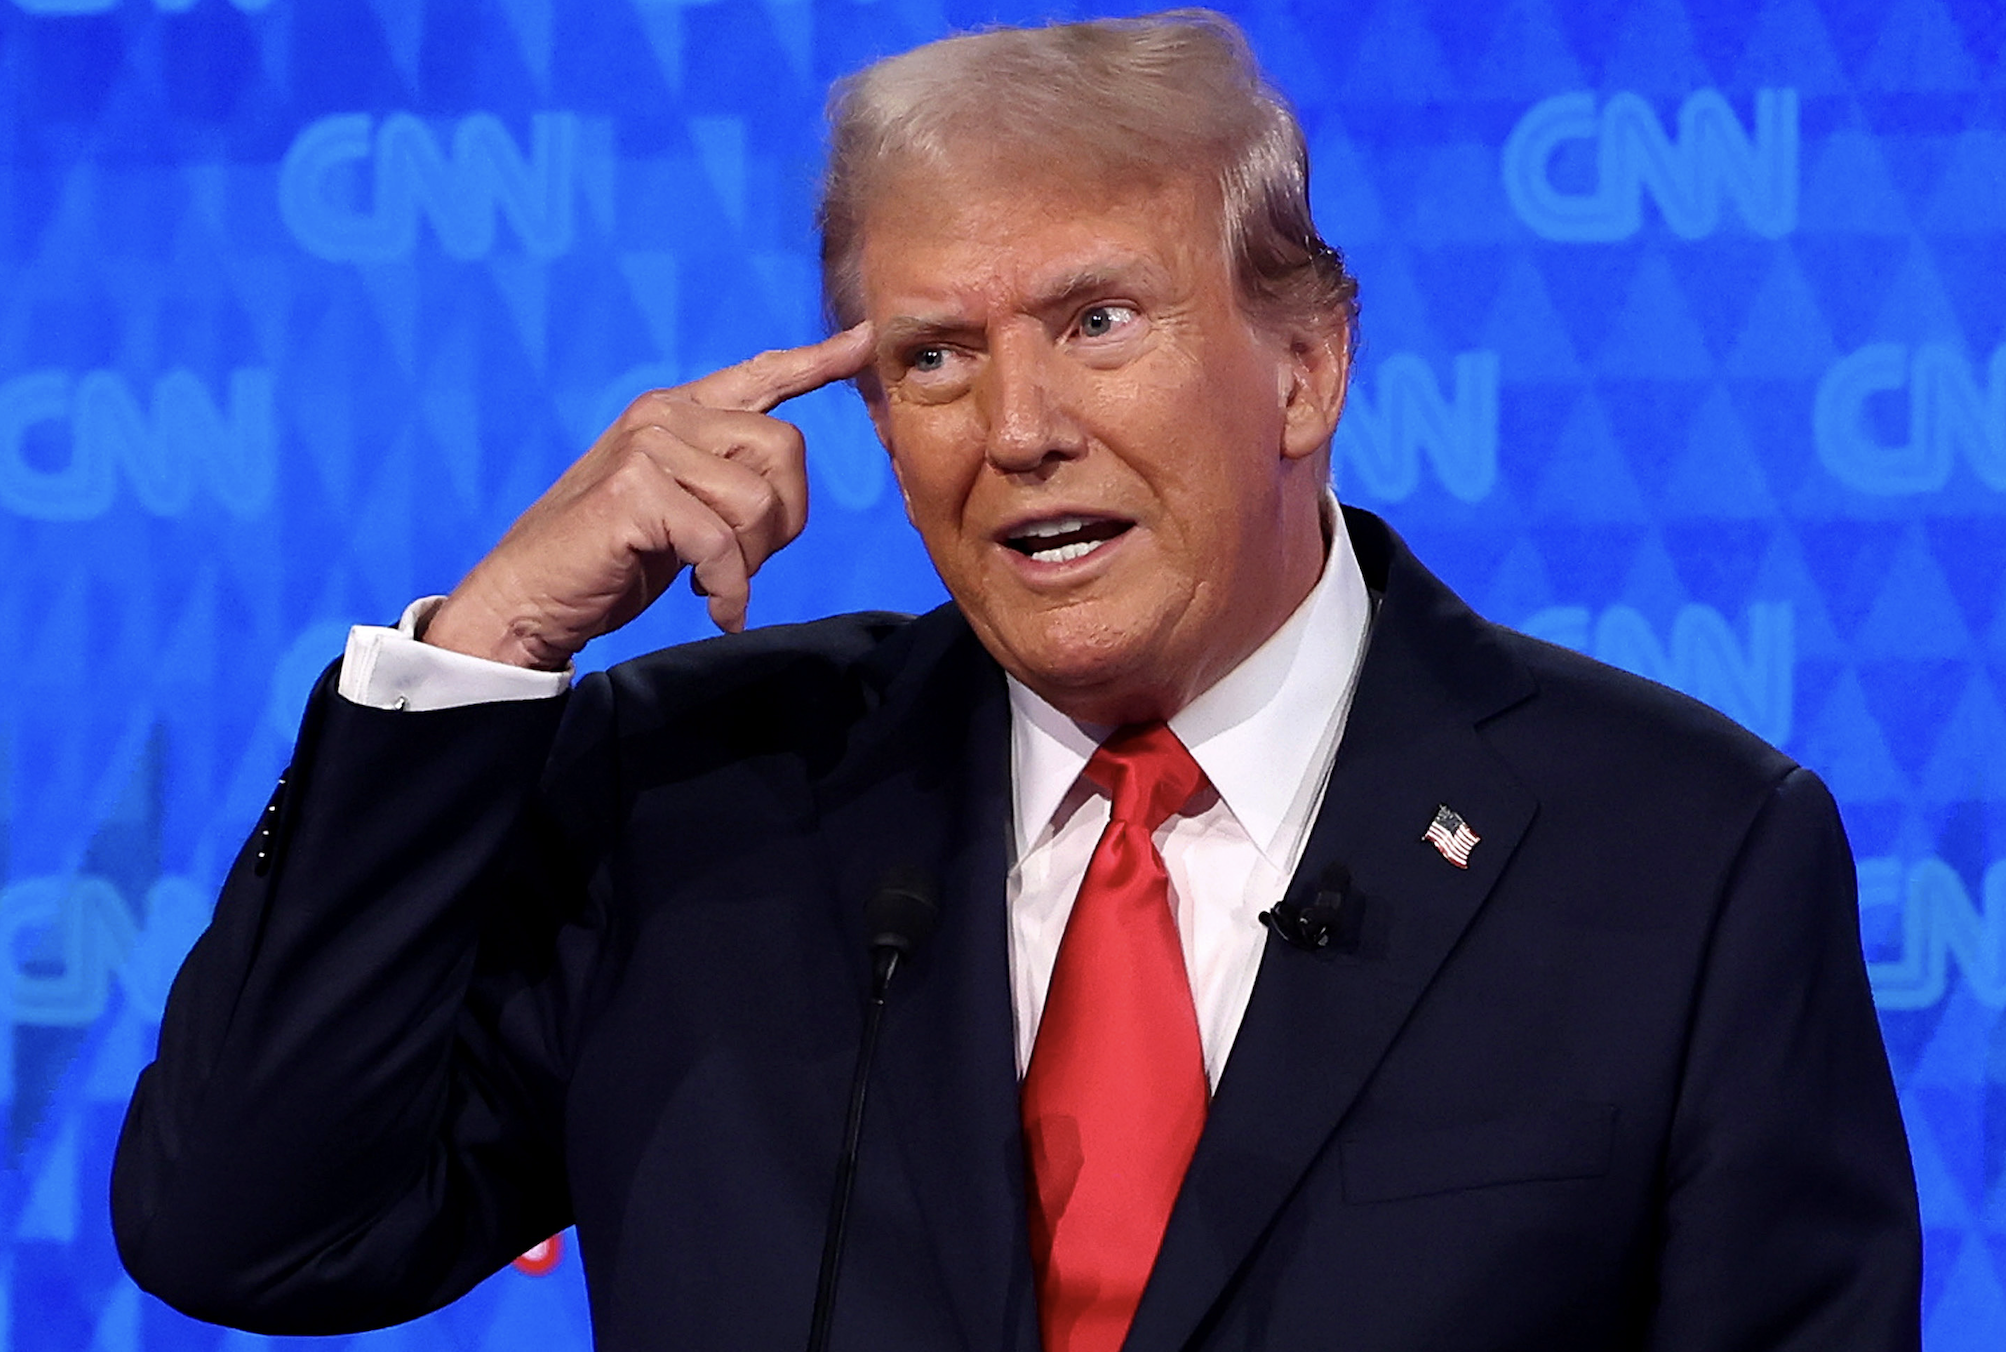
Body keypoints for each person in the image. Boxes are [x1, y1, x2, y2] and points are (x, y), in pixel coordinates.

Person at [113, 11, 1920, 1352]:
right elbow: (251, 1232)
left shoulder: (1677, 855)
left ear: (1304, 365)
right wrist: (484, 654)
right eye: (930, 358)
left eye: (1096, 322)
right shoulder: (690, 804)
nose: (1020, 431)